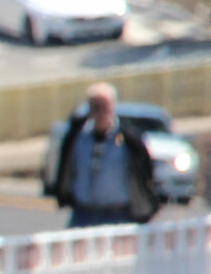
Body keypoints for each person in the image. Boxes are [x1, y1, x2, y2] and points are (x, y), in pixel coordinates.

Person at [49, 82, 156, 228]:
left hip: (118, 214)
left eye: (104, 107)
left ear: (112, 107)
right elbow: (66, 168)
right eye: (95, 107)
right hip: (83, 213)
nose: (99, 112)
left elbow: (145, 172)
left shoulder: (128, 139)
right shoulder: (77, 137)